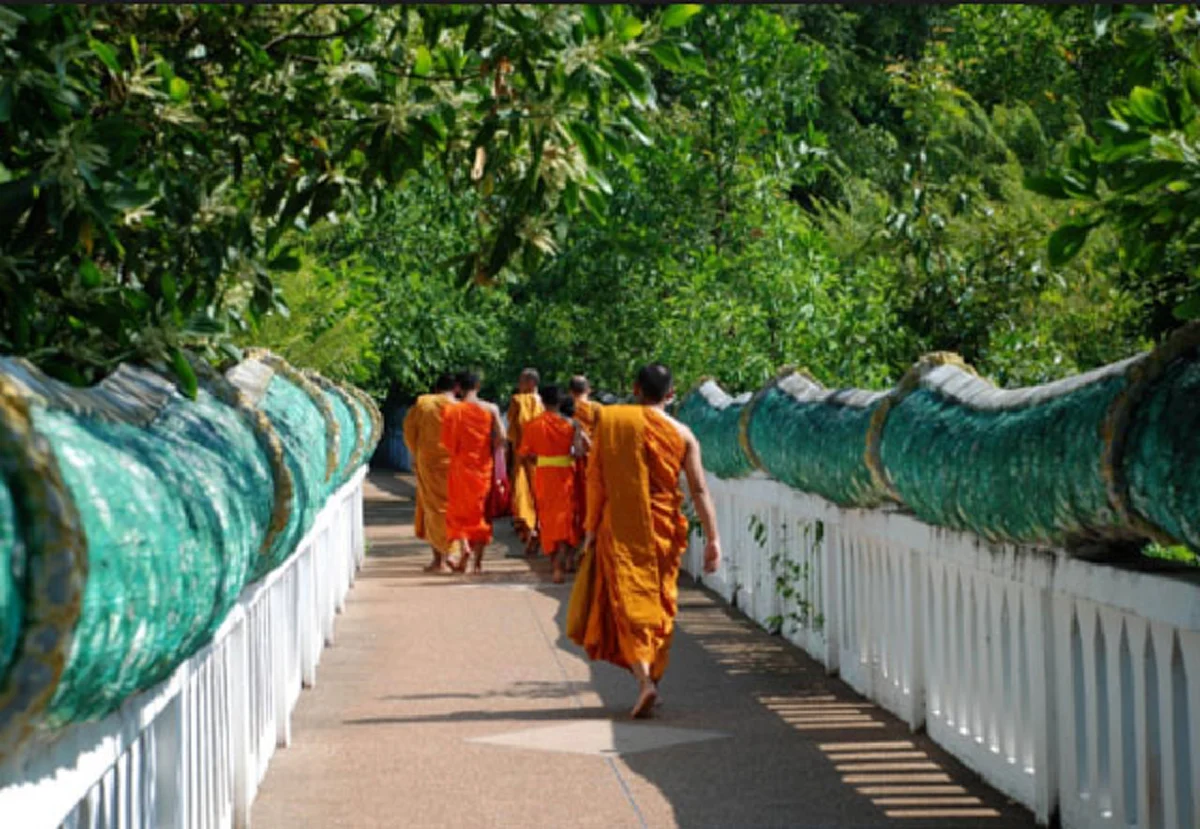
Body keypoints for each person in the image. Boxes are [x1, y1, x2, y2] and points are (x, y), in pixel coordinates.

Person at [571, 363, 721, 718]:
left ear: (636, 389)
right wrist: (714, 538)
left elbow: (597, 481)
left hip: (619, 527)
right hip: (663, 528)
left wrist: (590, 531)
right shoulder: (683, 434)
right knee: (660, 602)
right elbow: (698, 489)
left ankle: (644, 682)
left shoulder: (613, 423)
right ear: (671, 395)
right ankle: (653, 678)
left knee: (628, 603)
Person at [441, 371, 506, 574]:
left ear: (458, 388)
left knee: (457, 513)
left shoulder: (452, 410)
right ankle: (477, 563)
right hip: (483, 467)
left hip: (460, 467)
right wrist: (488, 447)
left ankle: (464, 549)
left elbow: (447, 443)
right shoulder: (491, 409)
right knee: (481, 514)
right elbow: (502, 437)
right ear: (478, 386)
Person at [519, 386, 583, 584]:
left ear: (542, 402)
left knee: (548, 520)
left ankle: (556, 564)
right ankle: (562, 564)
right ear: (561, 401)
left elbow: (524, 455)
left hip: (544, 476)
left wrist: (540, 460)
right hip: (566, 476)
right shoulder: (572, 424)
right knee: (565, 519)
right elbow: (579, 453)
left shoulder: (533, 425)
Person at [402, 373, 460, 573]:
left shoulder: (423, 404)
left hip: (429, 462)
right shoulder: (460, 408)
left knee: (433, 510)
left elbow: (409, 431)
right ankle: (452, 553)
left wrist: (416, 453)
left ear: (435, 388)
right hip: (456, 463)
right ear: (456, 389)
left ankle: (441, 560)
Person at [506, 368, 543, 553]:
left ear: (531, 383)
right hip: (542, 459)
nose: (519, 385)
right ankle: (538, 531)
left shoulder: (517, 401)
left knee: (523, 496)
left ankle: (530, 532)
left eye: (521, 381)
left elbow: (513, 432)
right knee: (539, 496)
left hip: (522, 456)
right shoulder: (545, 404)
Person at [568, 375, 602, 546]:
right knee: (592, 498)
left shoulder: (567, 408)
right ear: (589, 389)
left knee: (575, 499)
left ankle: (578, 534)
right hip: (594, 458)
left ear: (570, 391)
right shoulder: (597, 408)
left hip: (571, 461)